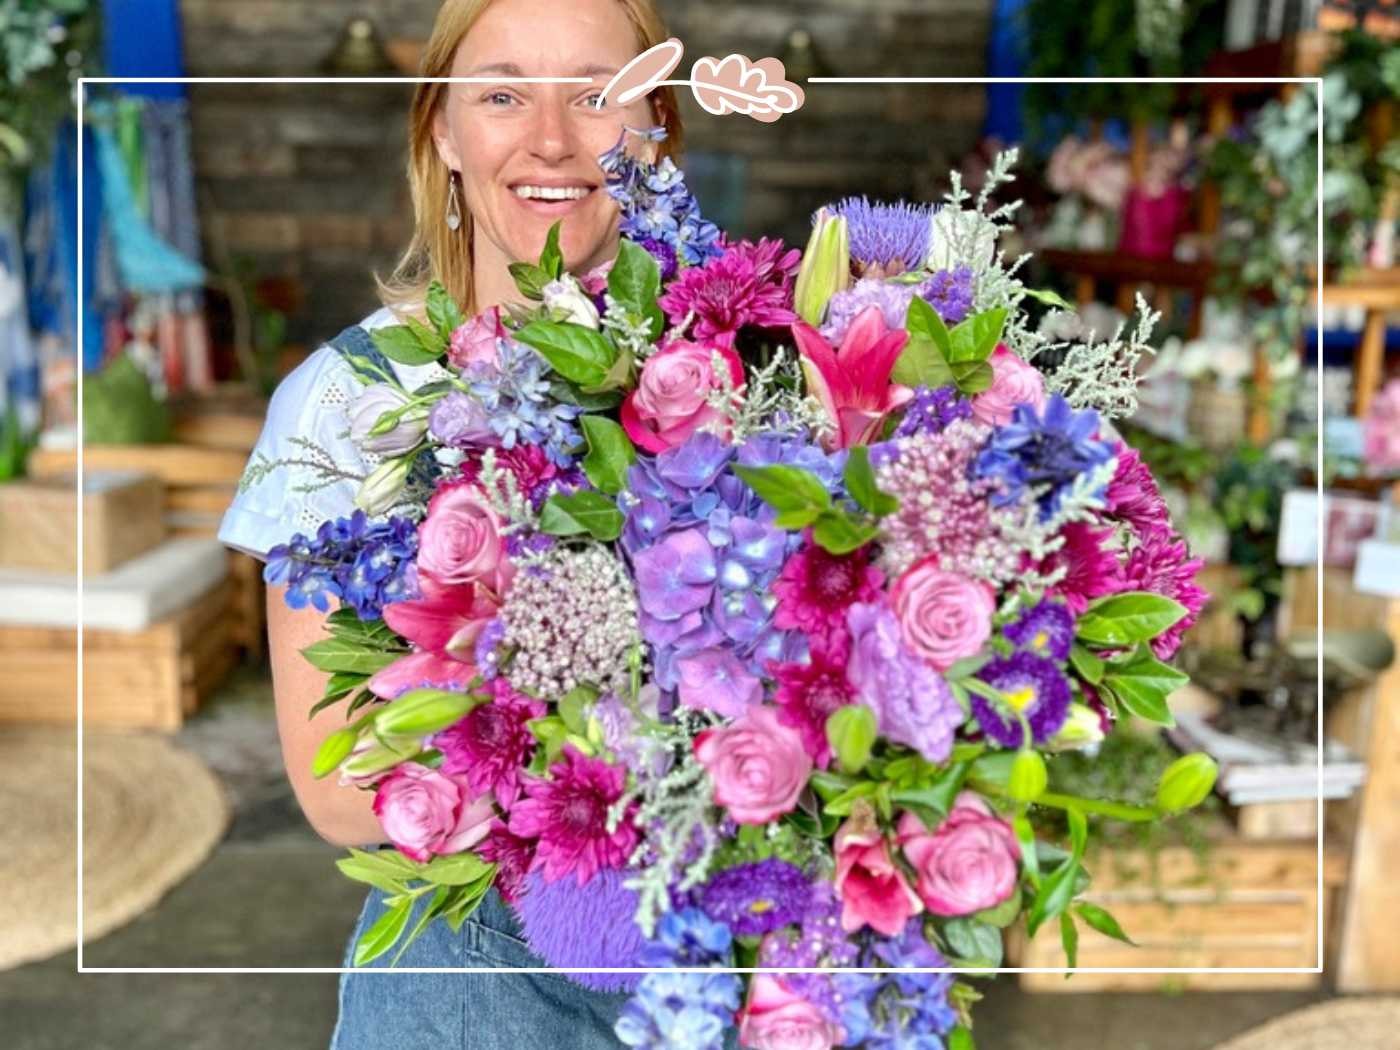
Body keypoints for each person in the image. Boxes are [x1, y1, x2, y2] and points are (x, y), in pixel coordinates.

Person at [218, 1, 684, 1046]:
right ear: (443, 129)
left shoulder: (744, 374)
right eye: (503, 93)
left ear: (654, 123)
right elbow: (341, 788)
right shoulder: (342, 401)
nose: (553, 139)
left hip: (715, 975)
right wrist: (625, 786)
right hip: (470, 987)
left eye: (600, 95)